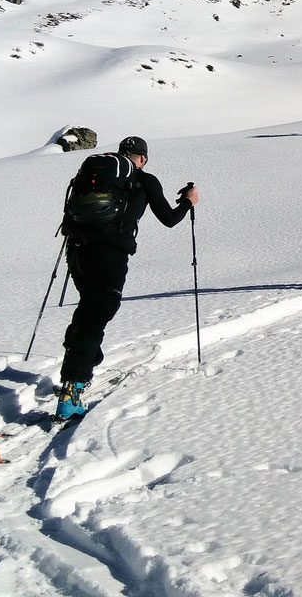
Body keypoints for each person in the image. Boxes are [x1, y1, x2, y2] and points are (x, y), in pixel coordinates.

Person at [56, 136, 199, 418]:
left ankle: (79, 364)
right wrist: (188, 202)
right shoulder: (145, 180)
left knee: (89, 308)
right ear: (142, 158)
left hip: (77, 249)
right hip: (109, 254)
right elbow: (170, 219)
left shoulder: (93, 173)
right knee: (97, 313)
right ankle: (71, 391)